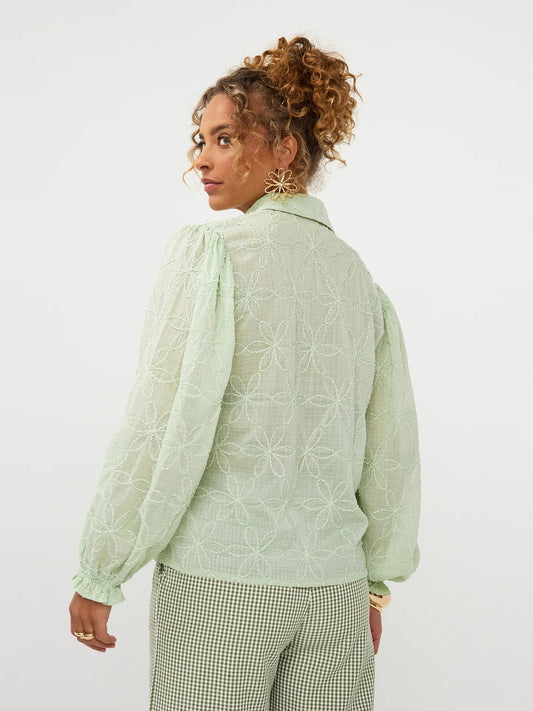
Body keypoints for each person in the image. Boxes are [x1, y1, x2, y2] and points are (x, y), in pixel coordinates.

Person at [69, 35, 421, 711]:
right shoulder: (358, 281)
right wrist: (372, 585)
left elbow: (160, 420)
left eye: (224, 139)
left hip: (221, 584)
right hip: (334, 592)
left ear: (284, 150)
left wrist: (101, 569)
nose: (201, 159)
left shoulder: (212, 255)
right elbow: (390, 449)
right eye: (200, 141)